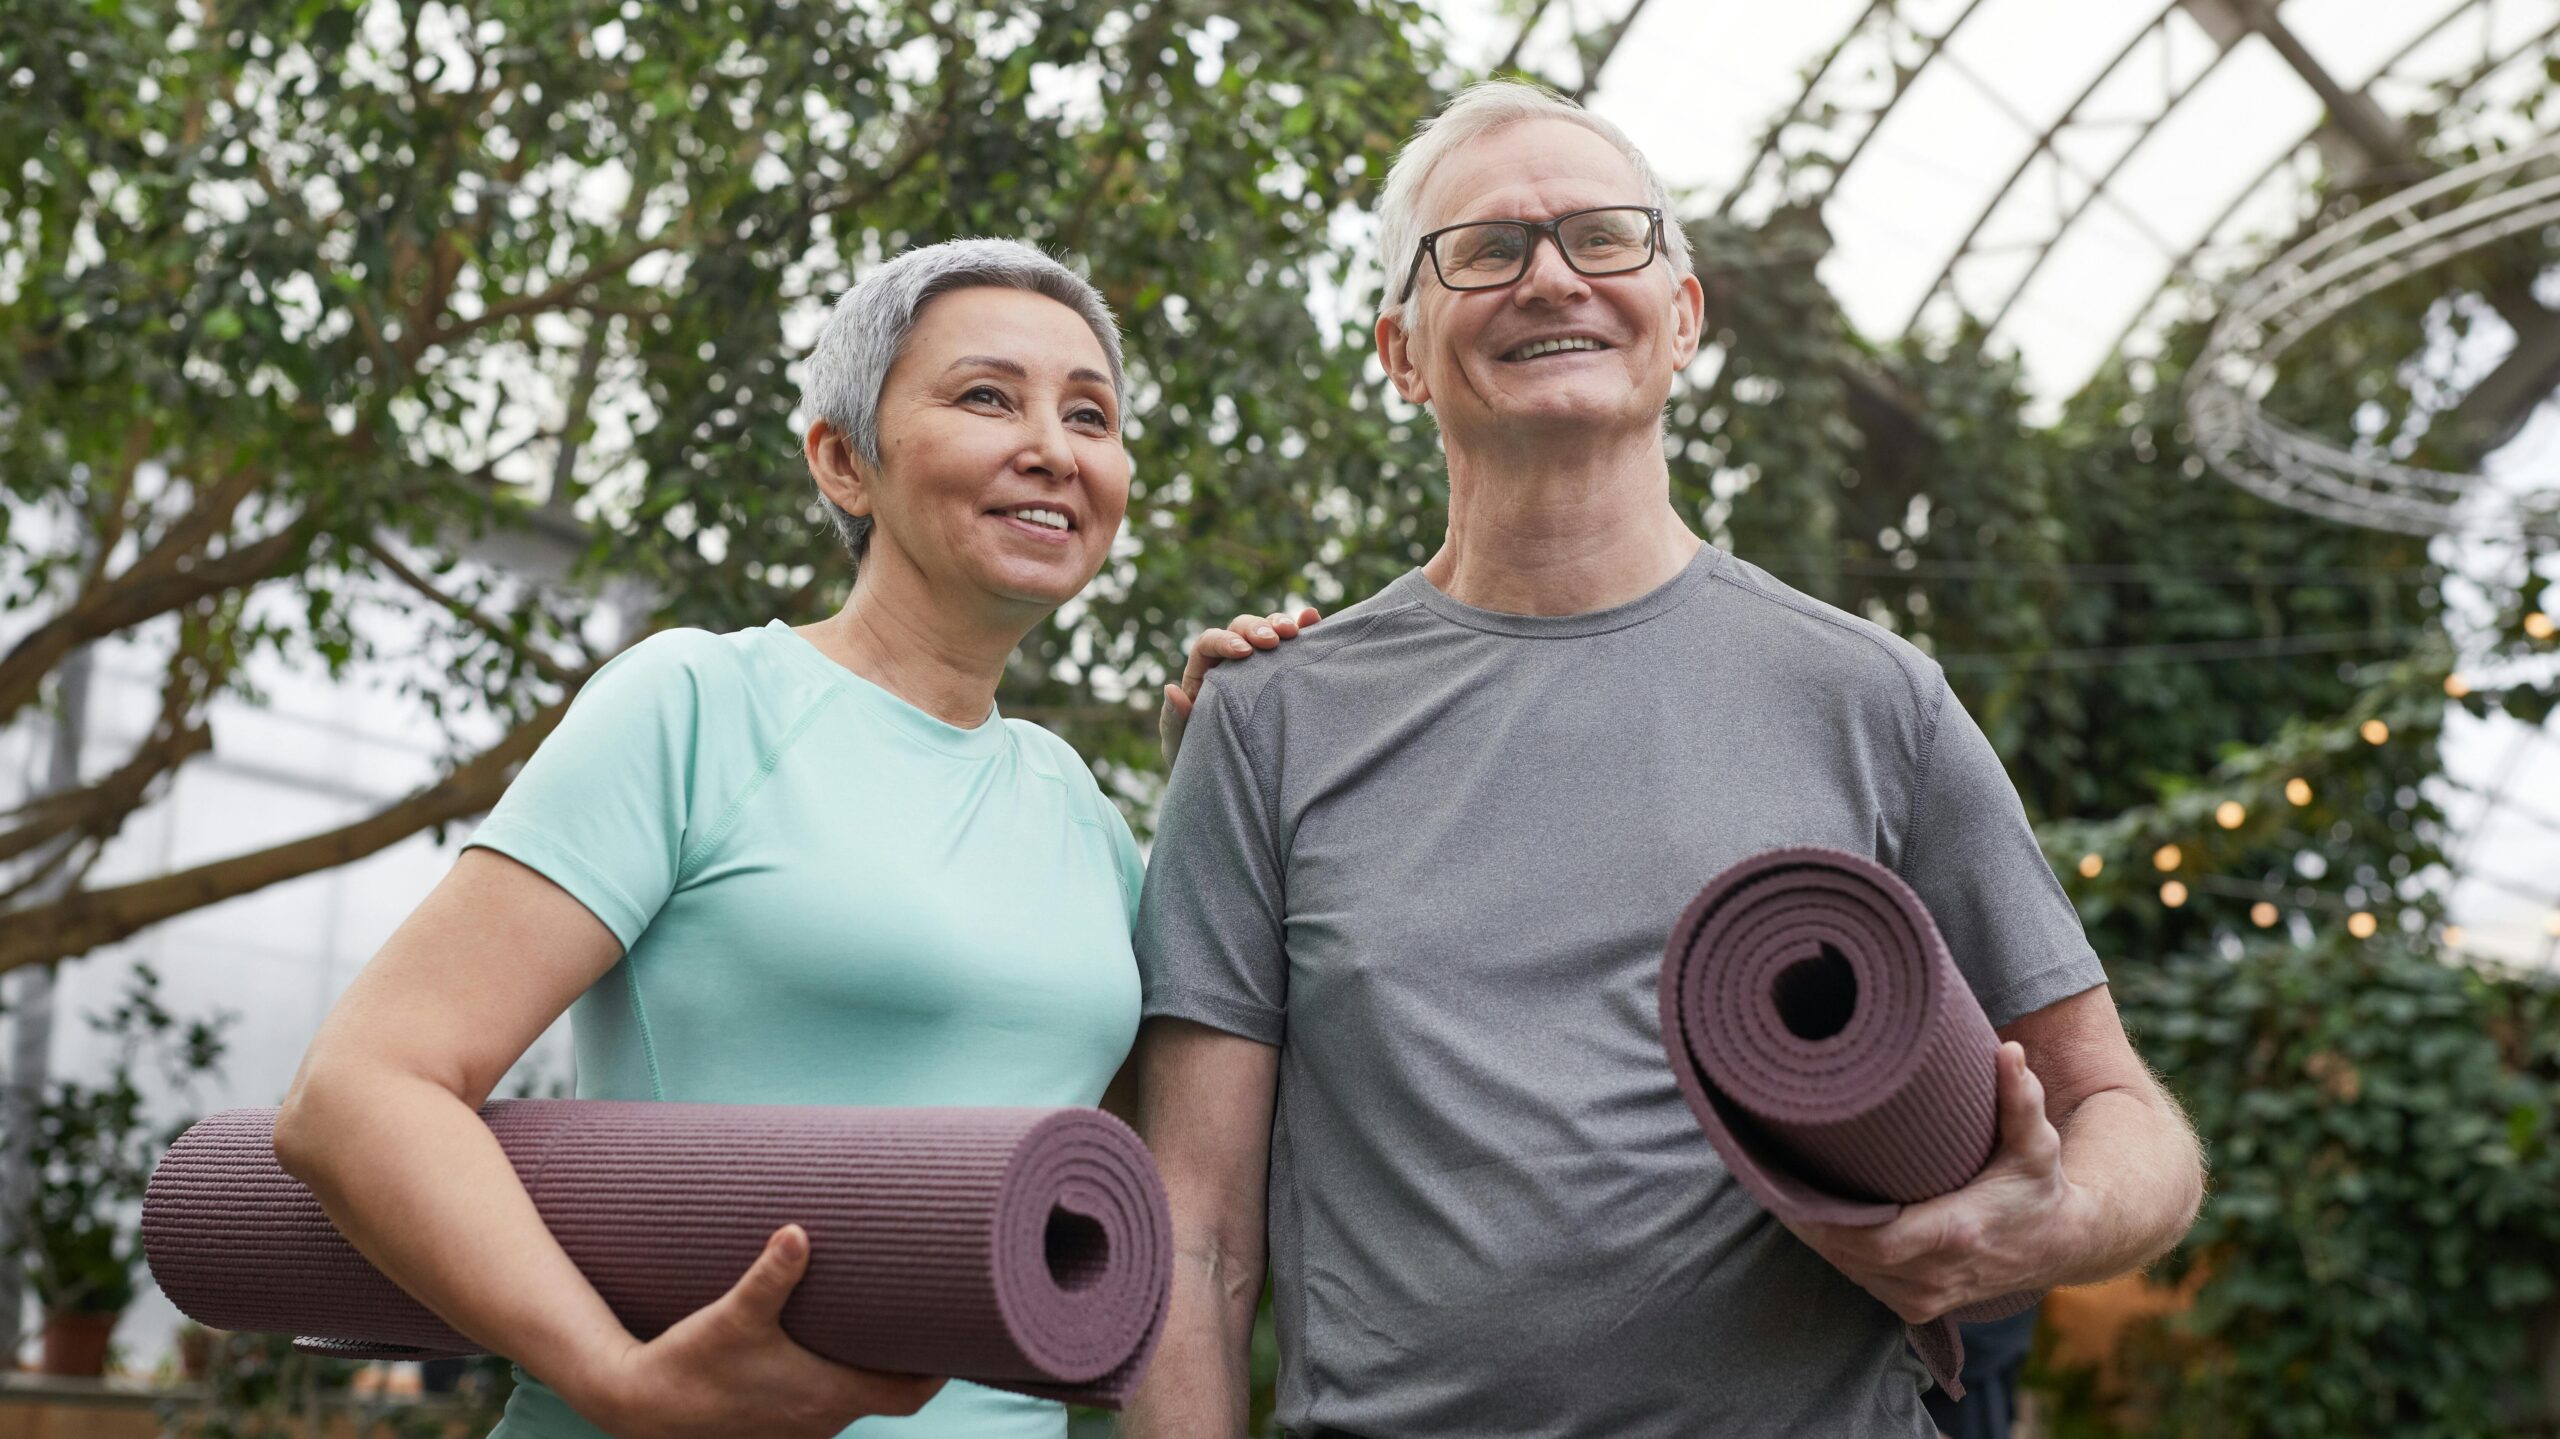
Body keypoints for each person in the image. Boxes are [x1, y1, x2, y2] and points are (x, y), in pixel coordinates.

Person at [1125, 81, 2207, 1439]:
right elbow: (1196, 1230)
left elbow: (2126, 1113)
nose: (1551, 277)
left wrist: (2040, 1219)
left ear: (1682, 318)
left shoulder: (1871, 695)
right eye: (1486, 249)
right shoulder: (1269, 718)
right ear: (1401, 349)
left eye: (1605, 237)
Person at [274, 237, 1313, 1439]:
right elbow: (357, 1090)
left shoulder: (1078, 804)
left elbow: (1160, 1192)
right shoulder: (700, 703)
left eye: (1091, 413)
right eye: (987, 395)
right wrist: (615, 1374)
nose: (1053, 446)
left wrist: (1226, 791)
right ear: (843, 460)